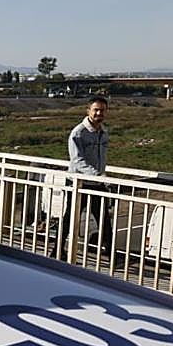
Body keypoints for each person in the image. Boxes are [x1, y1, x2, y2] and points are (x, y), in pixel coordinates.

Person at [58, 95, 111, 252]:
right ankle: (57, 250)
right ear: (88, 110)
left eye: (102, 111)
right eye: (96, 110)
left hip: (96, 183)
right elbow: (77, 160)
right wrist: (97, 175)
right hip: (79, 182)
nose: (99, 114)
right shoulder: (78, 133)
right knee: (70, 219)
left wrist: (100, 176)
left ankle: (111, 254)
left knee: (104, 220)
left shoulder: (103, 132)